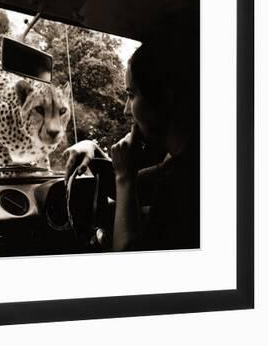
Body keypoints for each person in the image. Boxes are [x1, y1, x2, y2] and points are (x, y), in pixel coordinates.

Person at [64, 39, 199, 252]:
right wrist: (93, 149)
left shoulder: (184, 177)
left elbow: (129, 260)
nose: (127, 110)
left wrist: (124, 178)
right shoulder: (177, 162)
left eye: (131, 95)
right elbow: (139, 185)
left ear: (164, 97)